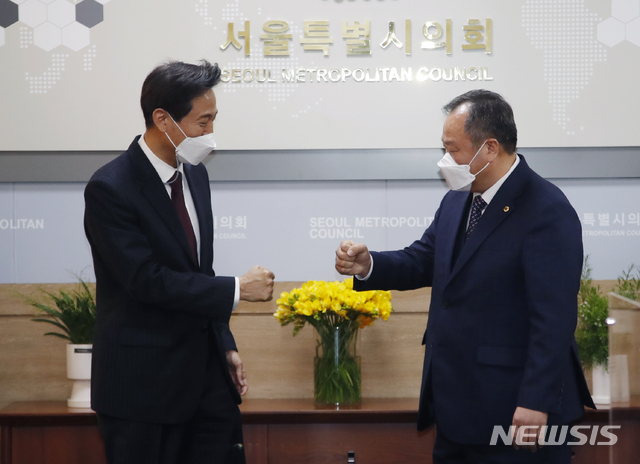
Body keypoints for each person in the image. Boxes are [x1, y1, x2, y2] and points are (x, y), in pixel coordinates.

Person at [335, 90, 595, 463]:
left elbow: (553, 320)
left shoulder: (546, 209)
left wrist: (535, 402)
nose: (445, 160)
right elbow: (425, 259)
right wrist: (369, 265)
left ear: (489, 148)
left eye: (452, 148)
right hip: (457, 409)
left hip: (516, 413)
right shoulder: (458, 198)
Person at [84, 60, 275, 464]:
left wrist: (224, 344)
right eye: (202, 122)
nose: (210, 133)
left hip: (206, 382)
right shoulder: (110, 187)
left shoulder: (195, 176)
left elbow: (196, 272)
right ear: (163, 119)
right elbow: (145, 280)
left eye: (213, 120)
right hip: (141, 389)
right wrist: (238, 289)